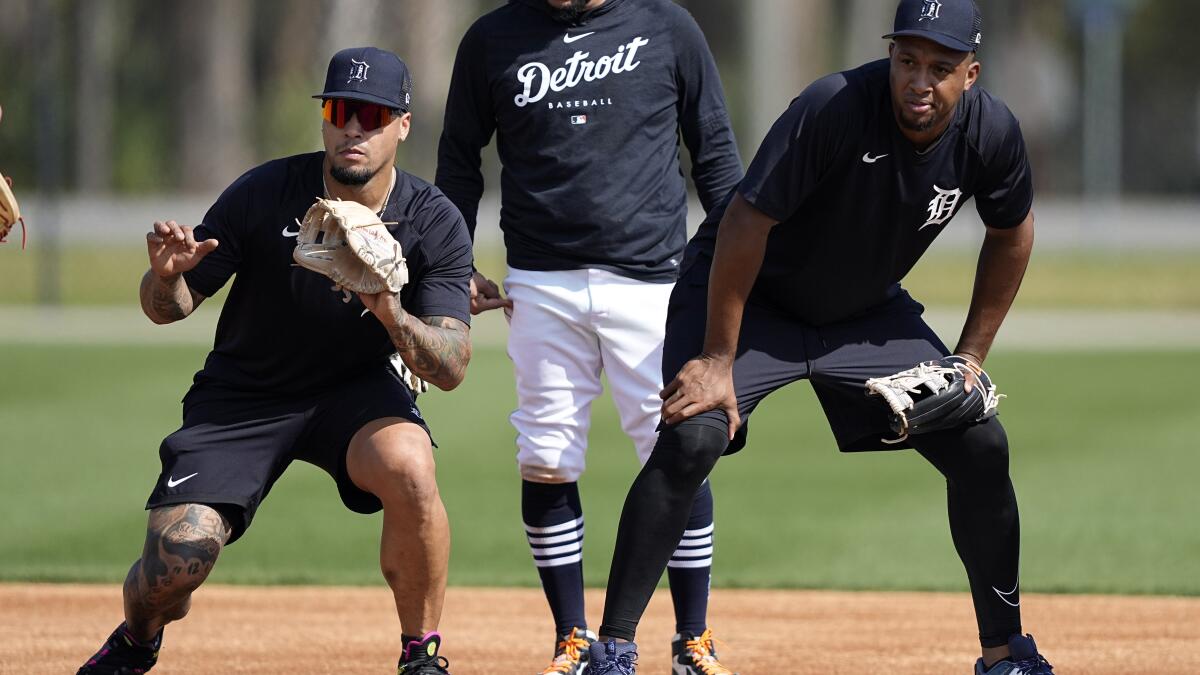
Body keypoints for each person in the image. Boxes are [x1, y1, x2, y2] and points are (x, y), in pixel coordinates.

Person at [588, 0, 1056, 673]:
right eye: (907, 60)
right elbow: (745, 223)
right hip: (753, 298)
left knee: (981, 441)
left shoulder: (992, 133)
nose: (919, 80)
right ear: (889, 56)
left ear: (972, 74)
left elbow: (1013, 230)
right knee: (693, 434)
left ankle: (1005, 651)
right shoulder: (835, 106)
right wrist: (718, 358)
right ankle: (615, 647)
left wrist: (970, 358)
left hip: (863, 312)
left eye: (941, 67)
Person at [76, 47, 472, 675]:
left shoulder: (432, 221)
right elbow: (168, 308)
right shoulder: (265, 192)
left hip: (356, 393)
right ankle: (137, 636)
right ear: (324, 120)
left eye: (372, 115)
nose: (354, 128)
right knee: (179, 557)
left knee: (411, 468)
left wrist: (388, 309)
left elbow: (450, 367)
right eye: (342, 111)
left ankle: (419, 655)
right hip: (245, 393)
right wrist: (164, 278)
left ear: (403, 124)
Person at [436, 1, 744, 673]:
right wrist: (448, 266)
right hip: (540, 280)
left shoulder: (668, 26)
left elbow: (715, 152)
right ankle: (572, 638)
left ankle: (693, 637)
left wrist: (739, 270)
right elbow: (459, 160)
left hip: (656, 279)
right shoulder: (493, 38)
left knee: (678, 447)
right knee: (545, 451)